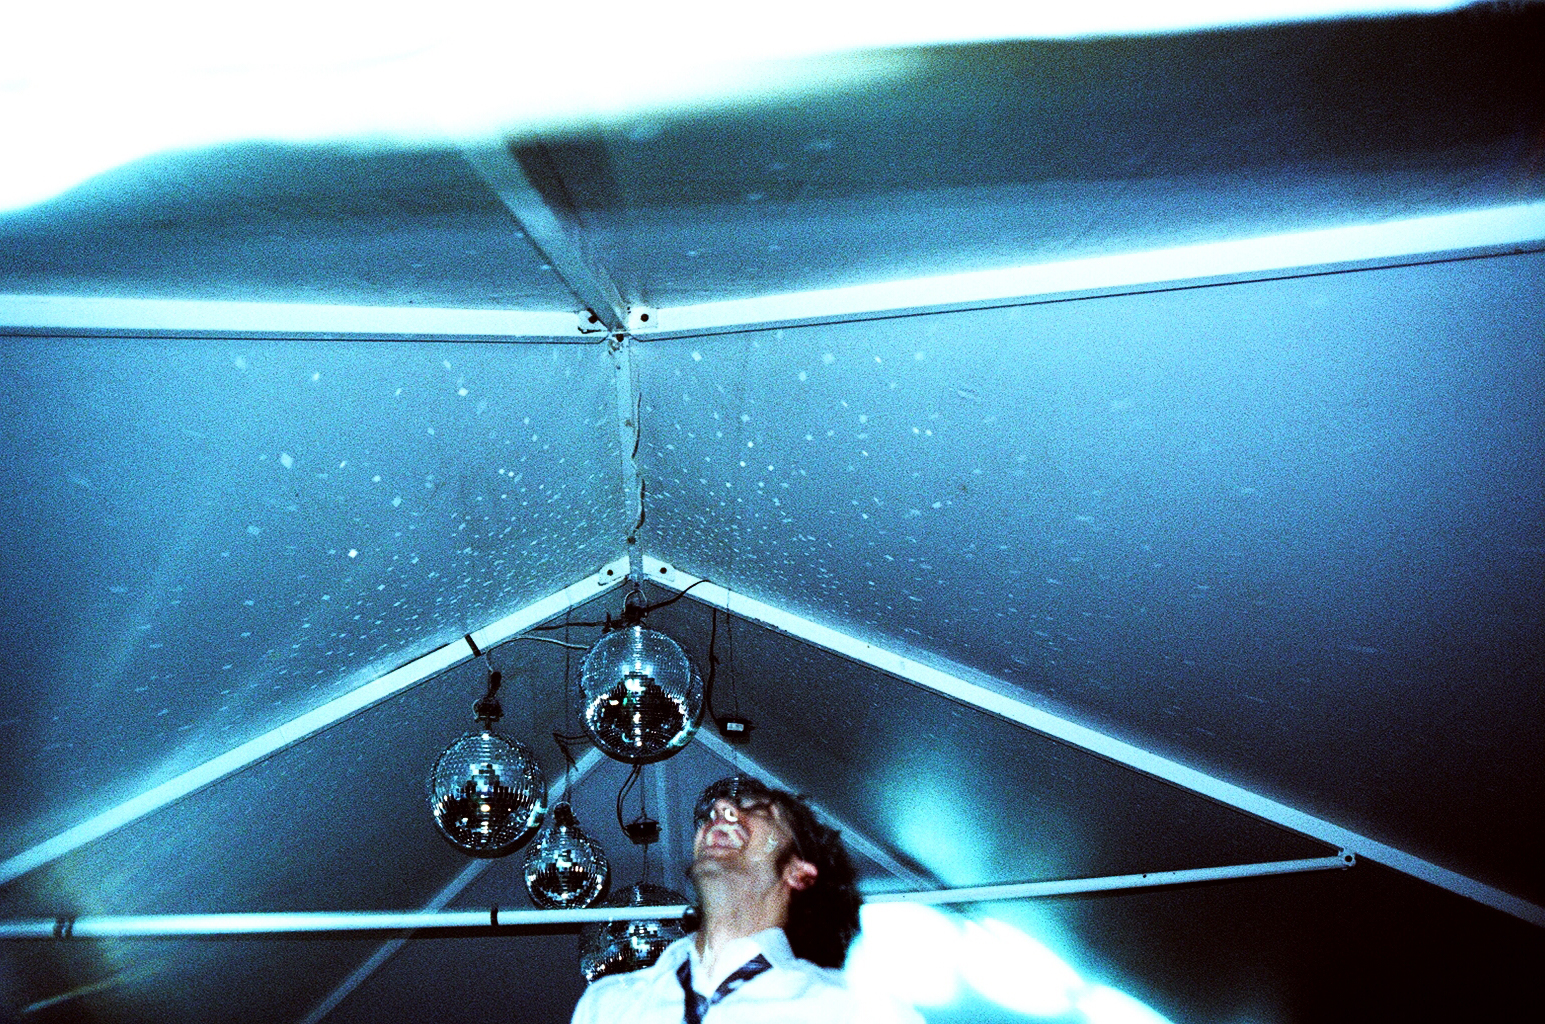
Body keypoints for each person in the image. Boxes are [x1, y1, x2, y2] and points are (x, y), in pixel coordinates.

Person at [570, 774, 920, 1024]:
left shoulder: (851, 1011)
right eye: (713, 812)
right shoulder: (607, 1006)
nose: (720, 807)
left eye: (761, 811)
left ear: (798, 872)